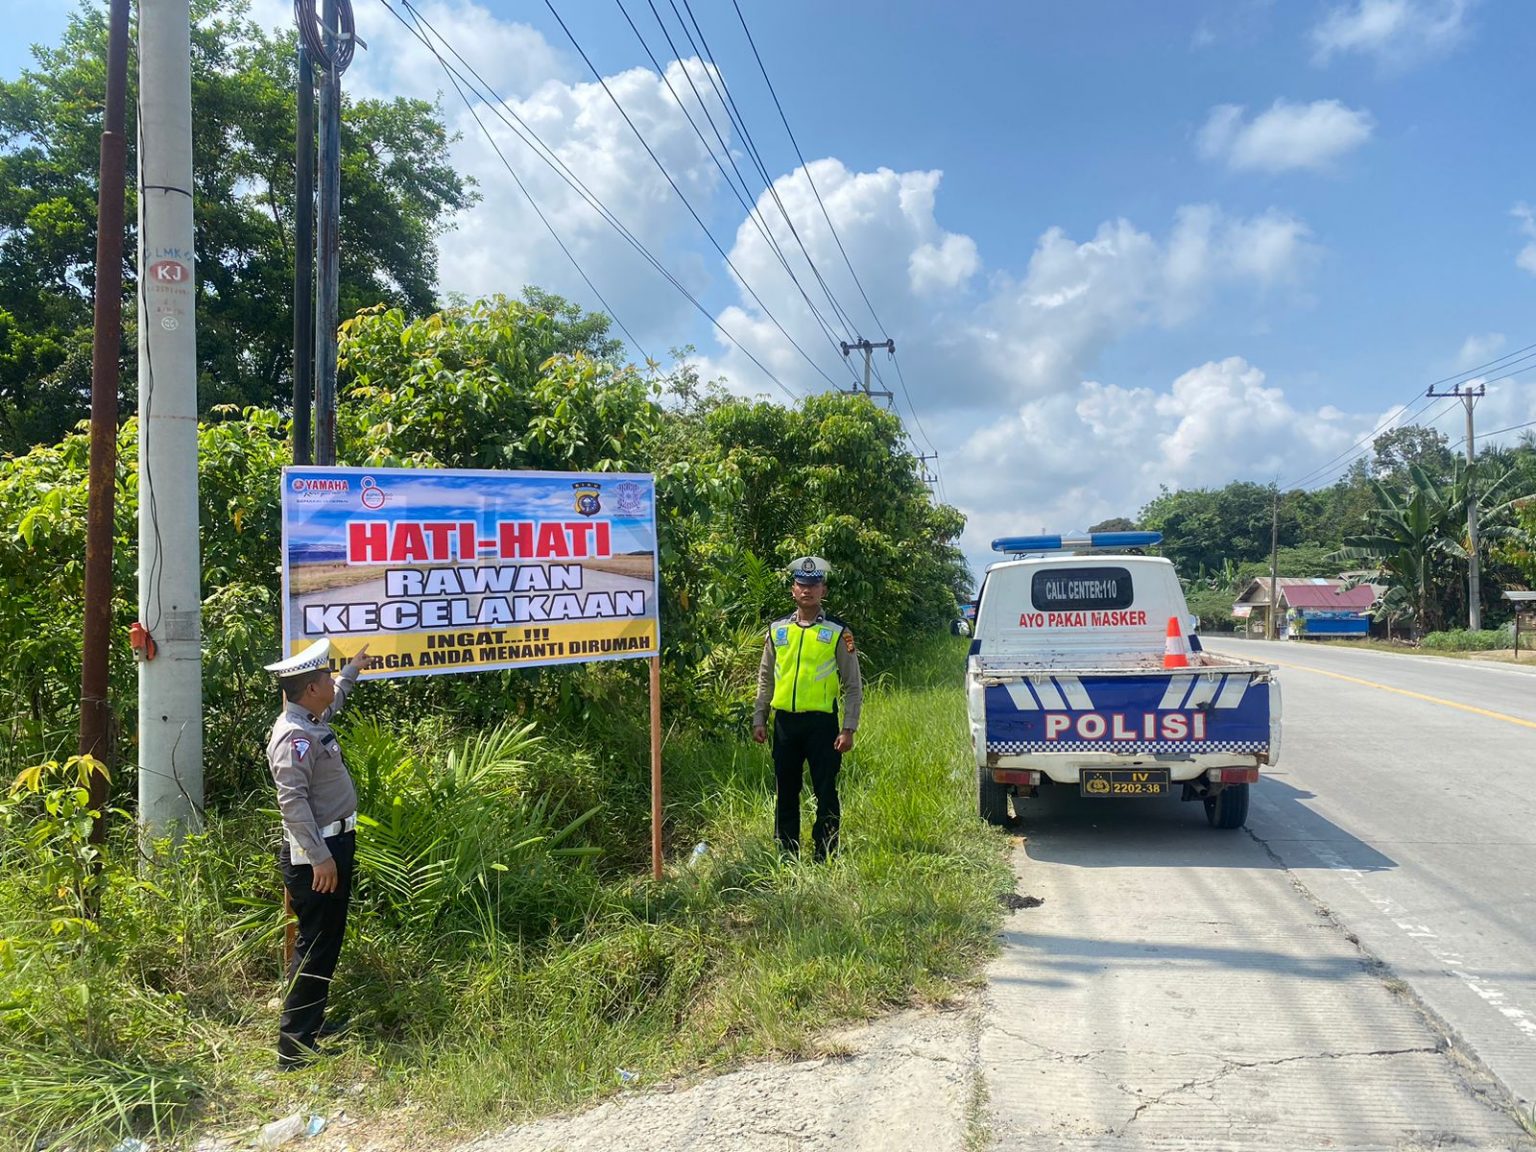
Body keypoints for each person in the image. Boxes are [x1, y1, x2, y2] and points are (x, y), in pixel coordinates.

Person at [264, 637, 378, 1070]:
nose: (332, 682)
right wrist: (320, 857)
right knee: (316, 944)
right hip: (320, 852)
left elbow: (335, 705)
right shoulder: (294, 736)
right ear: (311, 688)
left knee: (324, 941)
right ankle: (294, 1048)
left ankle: (309, 1026)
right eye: (327, 677)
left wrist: (352, 672)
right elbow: (291, 803)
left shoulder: (309, 720)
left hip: (333, 844)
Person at [752, 556, 863, 860]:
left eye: (813, 585)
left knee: (825, 791)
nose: (807, 591)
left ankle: (825, 853)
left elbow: (853, 685)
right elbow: (765, 678)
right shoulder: (777, 631)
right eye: (802, 584)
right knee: (786, 791)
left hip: (822, 726)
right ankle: (787, 853)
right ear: (793, 589)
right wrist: (759, 717)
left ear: (823, 590)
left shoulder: (838, 632)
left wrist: (848, 727)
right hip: (785, 724)